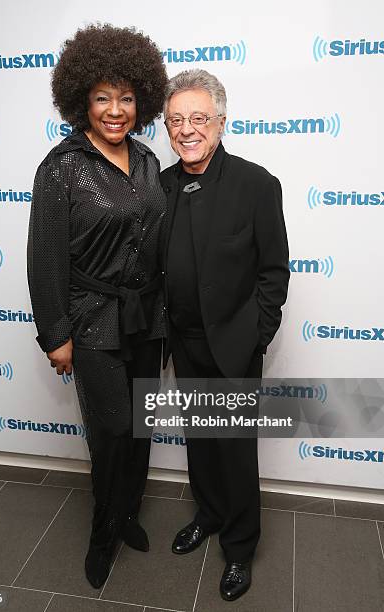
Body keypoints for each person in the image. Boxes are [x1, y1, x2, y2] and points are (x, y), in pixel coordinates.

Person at [27, 24, 167, 589]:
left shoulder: (150, 159)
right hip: (90, 320)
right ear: (81, 98)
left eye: (127, 98)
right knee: (110, 433)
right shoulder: (62, 165)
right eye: (103, 97)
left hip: (147, 319)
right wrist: (55, 334)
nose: (116, 110)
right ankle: (102, 535)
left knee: (140, 428)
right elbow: (46, 258)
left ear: (142, 101)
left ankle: (129, 512)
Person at [160, 69, 289, 601]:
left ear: (220, 122)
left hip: (235, 346)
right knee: (200, 442)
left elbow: (273, 271)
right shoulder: (161, 185)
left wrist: (256, 334)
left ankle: (239, 547)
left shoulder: (257, 183)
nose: (187, 130)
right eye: (176, 121)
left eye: (198, 118)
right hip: (183, 342)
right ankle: (209, 516)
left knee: (235, 450)